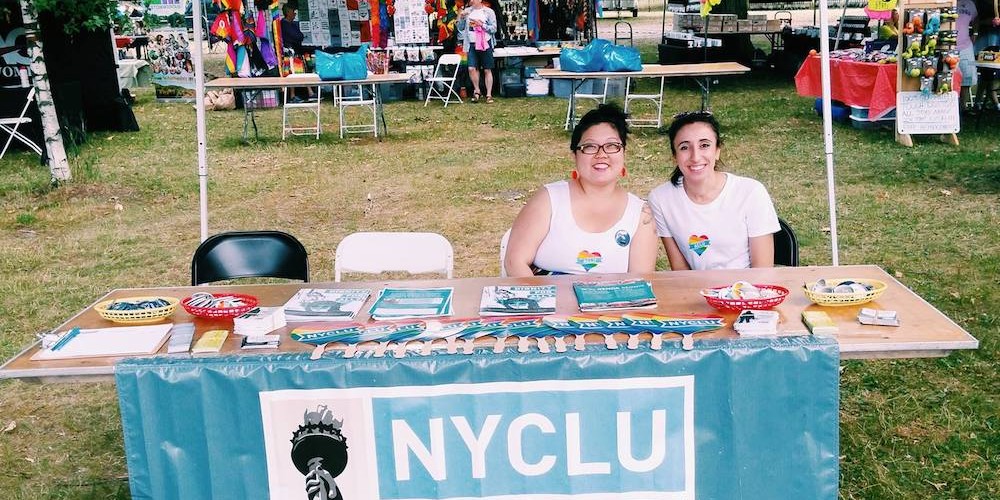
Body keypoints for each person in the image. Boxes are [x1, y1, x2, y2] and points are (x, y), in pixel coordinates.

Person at [504, 104, 658, 276]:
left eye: (612, 145)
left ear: (623, 154)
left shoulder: (640, 214)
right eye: (590, 147)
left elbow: (639, 284)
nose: (601, 154)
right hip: (546, 300)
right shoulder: (549, 199)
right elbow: (515, 261)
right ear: (574, 156)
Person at [647, 111, 779, 271]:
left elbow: (762, 270)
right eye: (684, 147)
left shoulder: (751, 192)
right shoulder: (660, 199)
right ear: (674, 156)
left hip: (746, 291)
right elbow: (681, 272)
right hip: (696, 291)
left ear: (717, 151)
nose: (695, 157)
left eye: (704, 145)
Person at [457, 0, 497, 103]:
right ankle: (477, 91)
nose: (471, 1)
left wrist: (482, 25)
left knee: (487, 69)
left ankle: (489, 94)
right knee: (471, 68)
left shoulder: (489, 12)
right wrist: (461, 17)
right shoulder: (467, 11)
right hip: (471, 44)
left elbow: (494, 29)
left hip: (485, 43)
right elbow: (460, 28)